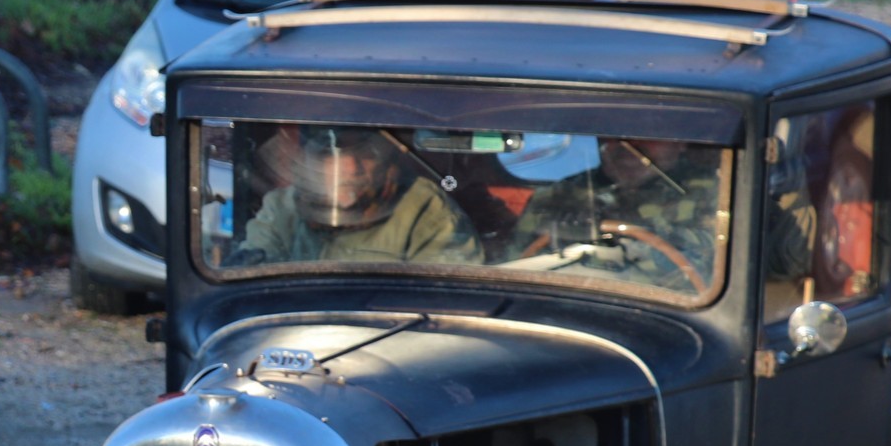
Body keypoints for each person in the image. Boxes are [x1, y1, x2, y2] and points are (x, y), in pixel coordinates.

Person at [231, 126, 483, 267]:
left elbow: (444, 297)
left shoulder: (423, 207)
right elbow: (253, 273)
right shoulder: (282, 208)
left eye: (365, 154)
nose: (350, 169)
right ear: (312, 162)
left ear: (385, 161)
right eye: (330, 157)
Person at [505, 137, 727, 292]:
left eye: (649, 136)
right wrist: (562, 235)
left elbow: (713, 266)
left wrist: (638, 228)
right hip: (565, 302)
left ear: (679, 142)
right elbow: (516, 264)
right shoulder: (560, 196)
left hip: (669, 309)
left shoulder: (718, 193)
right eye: (613, 137)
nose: (628, 147)